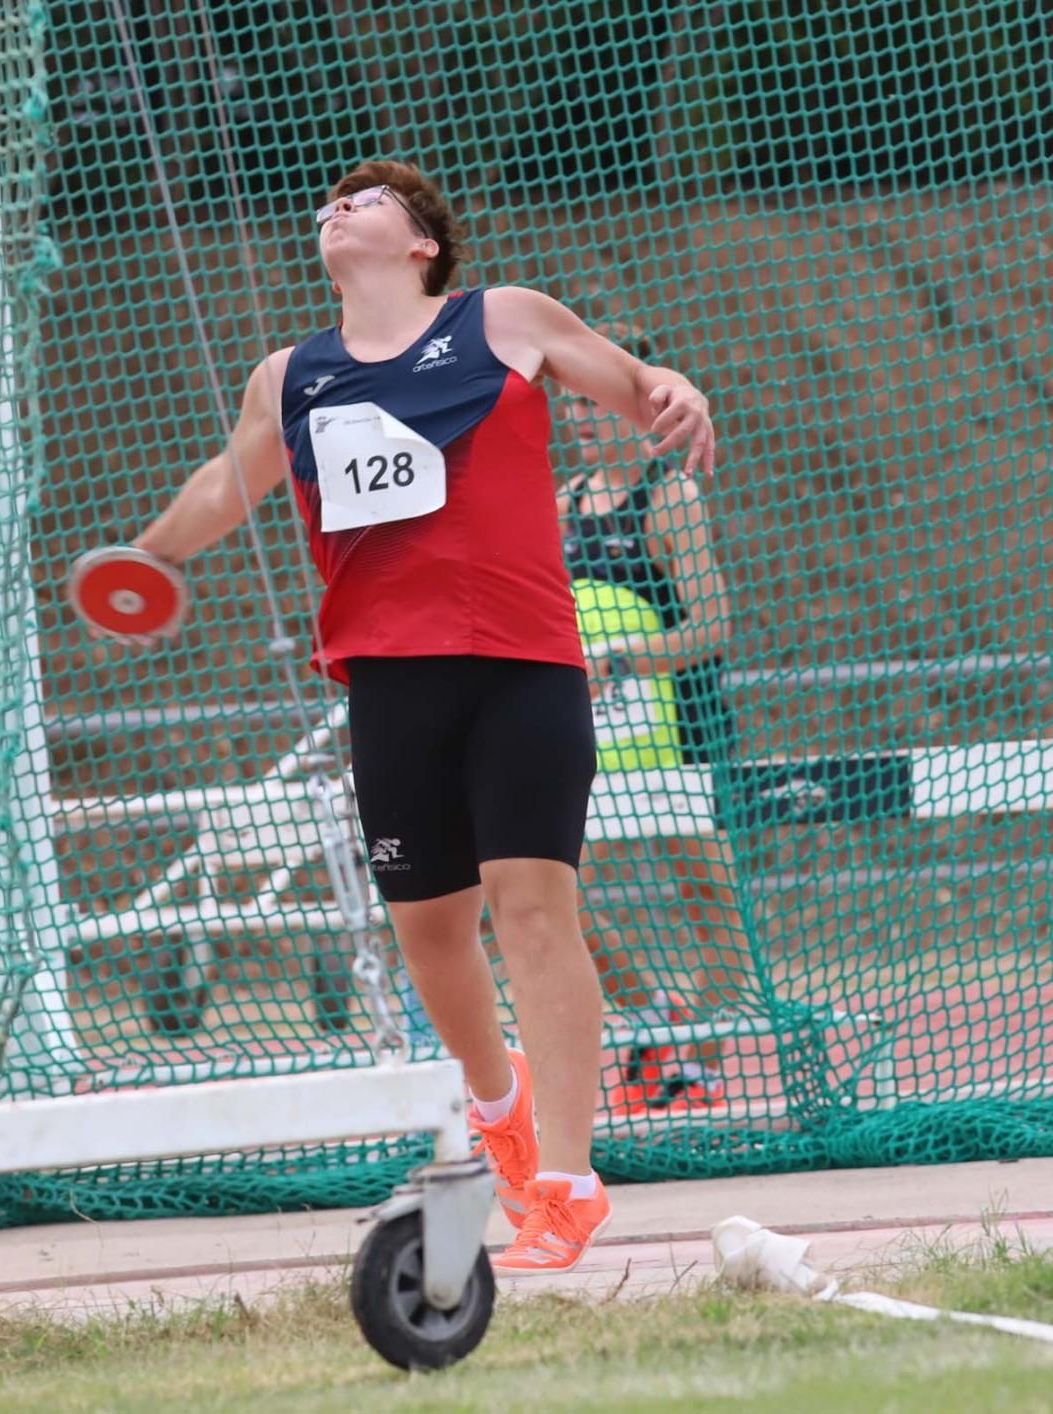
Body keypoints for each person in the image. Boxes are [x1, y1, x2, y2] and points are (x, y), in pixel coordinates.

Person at [128, 161, 714, 1273]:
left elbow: (636, 387)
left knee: (534, 905)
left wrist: (670, 387)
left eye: (368, 199)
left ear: (421, 245)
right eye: (331, 200)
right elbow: (225, 483)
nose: (338, 206)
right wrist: (143, 557)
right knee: (431, 933)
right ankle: (501, 1107)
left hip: (526, 665)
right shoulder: (288, 376)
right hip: (390, 685)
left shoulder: (503, 322)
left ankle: (566, 1179)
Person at [559, 330, 754, 1117]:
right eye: (568, 402)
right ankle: (653, 1029)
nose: (577, 416)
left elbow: (712, 626)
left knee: (708, 892)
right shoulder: (559, 503)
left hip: (680, 732)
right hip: (588, 739)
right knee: (557, 897)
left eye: (591, 402)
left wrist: (629, 657)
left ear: (634, 407)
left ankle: (695, 1062)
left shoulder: (670, 498)